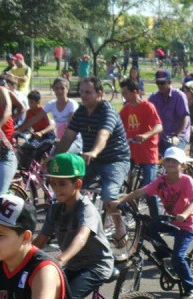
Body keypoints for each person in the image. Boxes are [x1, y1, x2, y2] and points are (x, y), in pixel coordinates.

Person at [34, 153, 120, 299]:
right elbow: (41, 239)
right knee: (42, 296)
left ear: (77, 183)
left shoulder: (86, 208)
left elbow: (82, 237)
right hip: (73, 265)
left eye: (62, 184)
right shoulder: (55, 209)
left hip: (96, 264)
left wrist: (61, 259)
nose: (56, 189)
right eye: (53, 183)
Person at [109, 147, 193, 299]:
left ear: (183, 165)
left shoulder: (186, 181)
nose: (171, 163)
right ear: (163, 163)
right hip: (170, 220)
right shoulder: (161, 181)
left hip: (187, 225)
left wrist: (185, 214)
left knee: (178, 258)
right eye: (168, 160)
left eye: (175, 161)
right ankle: (164, 252)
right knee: (148, 227)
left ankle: (190, 287)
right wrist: (120, 201)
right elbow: (141, 191)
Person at [55, 76, 131, 250]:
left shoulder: (107, 111)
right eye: (81, 92)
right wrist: (54, 156)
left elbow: (103, 134)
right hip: (91, 160)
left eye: (88, 92)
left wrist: (94, 151)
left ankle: (119, 224)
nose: (83, 96)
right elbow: (68, 136)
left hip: (115, 160)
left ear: (99, 93)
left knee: (109, 195)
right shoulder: (81, 111)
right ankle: (76, 221)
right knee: (70, 184)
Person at [119, 77, 163, 214]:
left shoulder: (147, 106)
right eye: (122, 92)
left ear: (135, 92)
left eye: (125, 92)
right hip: (132, 154)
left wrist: (146, 135)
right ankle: (129, 211)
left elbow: (158, 126)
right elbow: (116, 127)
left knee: (149, 190)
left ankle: (155, 221)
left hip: (148, 154)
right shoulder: (125, 110)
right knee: (119, 181)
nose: (123, 95)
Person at [149, 69, 191, 153]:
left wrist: (176, 135)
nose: (160, 85)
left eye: (162, 83)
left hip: (179, 135)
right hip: (161, 136)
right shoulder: (153, 98)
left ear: (169, 82)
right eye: (158, 83)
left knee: (171, 151)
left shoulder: (179, 96)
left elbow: (184, 117)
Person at [44, 77, 82, 154]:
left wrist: (61, 141)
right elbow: (36, 117)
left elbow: (70, 126)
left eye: (62, 88)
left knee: (61, 156)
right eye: (56, 88)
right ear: (53, 89)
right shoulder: (51, 104)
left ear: (68, 89)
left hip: (75, 141)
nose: (59, 91)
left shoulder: (72, 104)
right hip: (60, 140)